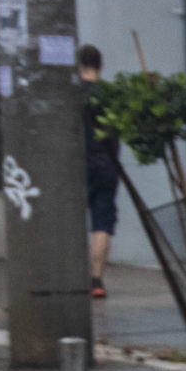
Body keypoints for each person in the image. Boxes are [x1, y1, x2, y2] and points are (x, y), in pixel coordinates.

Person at [78, 45, 116, 299]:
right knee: (102, 223)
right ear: (100, 66)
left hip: (77, 166)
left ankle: (70, 276)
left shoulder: (72, 95)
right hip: (106, 166)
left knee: (70, 219)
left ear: (80, 65)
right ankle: (96, 280)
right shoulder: (109, 95)